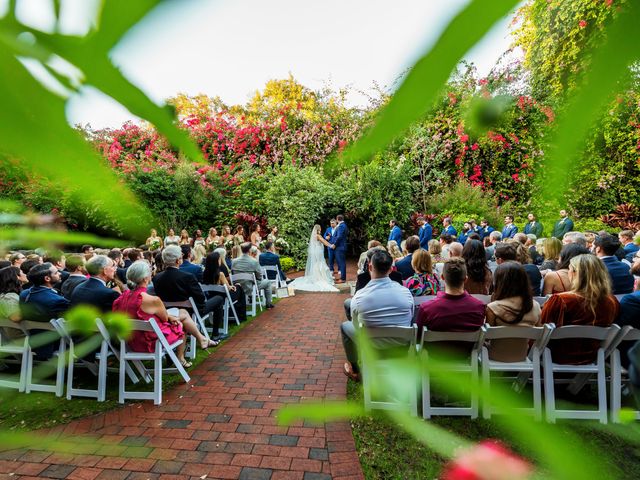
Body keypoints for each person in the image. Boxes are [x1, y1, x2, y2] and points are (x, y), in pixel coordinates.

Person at [113, 261, 217, 369]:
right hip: (150, 343)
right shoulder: (152, 300)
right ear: (145, 278)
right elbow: (164, 318)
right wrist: (171, 317)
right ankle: (181, 357)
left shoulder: (122, 297)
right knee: (180, 322)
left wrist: (170, 317)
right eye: (149, 273)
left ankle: (199, 342)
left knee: (181, 315)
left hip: (130, 342)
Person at [341, 250, 414, 381]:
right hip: (401, 347)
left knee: (345, 326)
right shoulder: (406, 293)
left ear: (370, 267)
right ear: (391, 269)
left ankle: (355, 369)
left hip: (373, 347)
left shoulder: (359, 297)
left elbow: (357, 326)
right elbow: (411, 317)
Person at [541, 254, 619, 365]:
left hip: (555, 357)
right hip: (591, 357)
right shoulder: (612, 301)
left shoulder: (561, 300)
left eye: (569, 269)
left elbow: (542, 328)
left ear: (575, 273)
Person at [154, 245, 227, 340]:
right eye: (180, 257)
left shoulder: (156, 277)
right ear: (178, 261)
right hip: (190, 311)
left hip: (168, 311)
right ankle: (216, 334)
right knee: (219, 299)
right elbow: (200, 297)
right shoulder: (187, 276)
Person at [414, 258, 485, 337]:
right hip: (467, 349)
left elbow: (418, 337)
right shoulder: (479, 307)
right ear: (466, 279)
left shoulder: (427, 309)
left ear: (442, 277)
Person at [486, 262, 542, 362]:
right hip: (522, 356)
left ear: (499, 282)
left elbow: (487, 337)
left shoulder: (493, 308)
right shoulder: (536, 306)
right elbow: (538, 335)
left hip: (495, 356)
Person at [19, 263, 70, 359]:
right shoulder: (57, 300)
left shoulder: (24, 294)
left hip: (34, 341)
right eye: (56, 272)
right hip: (55, 344)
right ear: (47, 278)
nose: (60, 273)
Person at [202, 252, 247, 323]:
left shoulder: (204, 273)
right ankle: (241, 315)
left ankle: (235, 314)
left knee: (236, 287)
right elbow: (228, 288)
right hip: (224, 298)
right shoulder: (220, 274)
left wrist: (231, 287)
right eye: (220, 259)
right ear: (216, 261)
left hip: (211, 297)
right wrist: (234, 286)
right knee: (239, 288)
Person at [289, 227, 338, 292]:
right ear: (318, 229)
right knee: (320, 263)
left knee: (317, 263)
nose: (321, 229)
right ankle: (320, 277)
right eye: (320, 228)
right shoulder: (318, 236)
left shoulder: (314, 236)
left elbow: (323, 240)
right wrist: (331, 246)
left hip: (316, 251)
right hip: (318, 251)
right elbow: (324, 241)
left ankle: (317, 276)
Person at [0, 266, 27, 339]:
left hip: (24, 335)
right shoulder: (8, 297)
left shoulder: (12, 295)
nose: (25, 274)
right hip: (21, 339)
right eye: (22, 273)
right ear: (17, 277)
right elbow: (15, 317)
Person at [330, 215, 349, 283]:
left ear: (337, 219)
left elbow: (339, 237)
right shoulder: (343, 225)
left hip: (340, 247)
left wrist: (334, 244)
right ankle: (342, 278)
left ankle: (343, 279)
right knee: (341, 262)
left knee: (341, 263)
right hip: (341, 246)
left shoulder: (341, 226)